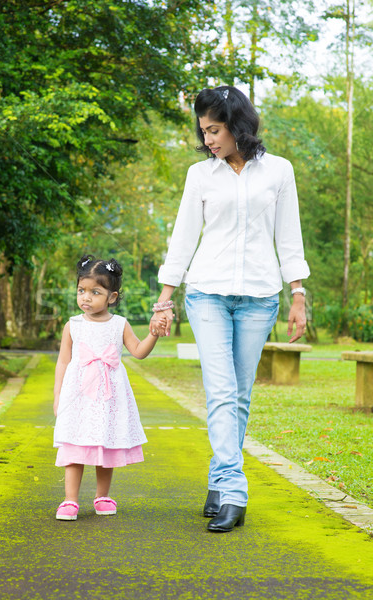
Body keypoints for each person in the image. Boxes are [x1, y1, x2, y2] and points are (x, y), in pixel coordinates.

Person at [150, 86, 310, 533]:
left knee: (238, 397)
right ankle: (234, 491)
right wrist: (165, 299)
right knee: (221, 392)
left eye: (215, 130)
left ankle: (218, 483)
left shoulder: (279, 172)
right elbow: (182, 239)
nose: (209, 140)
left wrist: (298, 295)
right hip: (207, 294)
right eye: (203, 132)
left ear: (238, 125)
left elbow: (288, 237)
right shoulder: (200, 175)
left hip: (260, 297)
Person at [53, 254, 165, 521]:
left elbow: (138, 351)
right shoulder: (73, 325)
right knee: (74, 445)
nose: (86, 298)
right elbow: (63, 362)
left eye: (95, 292)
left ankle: (102, 495)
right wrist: (57, 396)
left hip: (108, 397)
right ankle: (70, 500)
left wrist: (154, 333)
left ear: (112, 297)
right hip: (78, 396)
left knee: (104, 444)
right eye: (82, 291)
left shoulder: (119, 324)